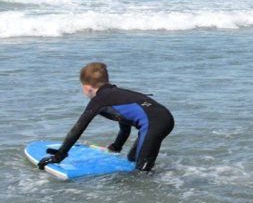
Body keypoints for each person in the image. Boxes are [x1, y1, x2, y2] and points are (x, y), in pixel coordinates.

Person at [37, 62, 175, 172]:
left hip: (154, 124)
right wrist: (116, 147)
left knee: (141, 173)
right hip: (162, 118)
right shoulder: (117, 94)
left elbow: (77, 129)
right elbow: (125, 122)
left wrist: (58, 156)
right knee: (132, 159)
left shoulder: (99, 100)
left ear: (87, 87)